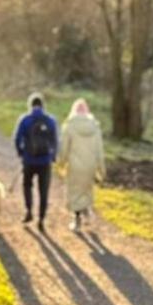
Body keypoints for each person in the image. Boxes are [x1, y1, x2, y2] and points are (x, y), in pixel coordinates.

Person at [58, 99, 106, 233]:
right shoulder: (95, 127)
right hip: (90, 165)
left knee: (74, 190)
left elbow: (64, 148)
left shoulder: (69, 126)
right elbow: (99, 150)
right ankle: (87, 211)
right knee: (86, 188)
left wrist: (61, 162)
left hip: (74, 165)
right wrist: (102, 169)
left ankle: (77, 219)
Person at [14, 93, 58, 231]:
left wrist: (21, 153)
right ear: (43, 105)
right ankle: (41, 219)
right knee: (43, 190)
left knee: (27, 185)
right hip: (45, 161)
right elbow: (55, 140)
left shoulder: (25, 120)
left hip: (29, 159)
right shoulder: (50, 120)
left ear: (30, 105)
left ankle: (29, 211)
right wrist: (53, 156)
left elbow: (17, 138)